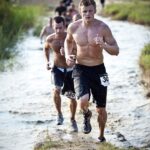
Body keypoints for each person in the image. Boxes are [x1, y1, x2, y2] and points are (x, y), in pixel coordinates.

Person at [64, 0, 119, 142]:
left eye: (90, 11)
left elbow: (116, 51)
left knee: (101, 109)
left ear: (94, 11)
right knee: (83, 100)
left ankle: (101, 135)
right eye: (84, 11)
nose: (87, 14)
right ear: (80, 12)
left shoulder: (103, 28)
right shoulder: (73, 27)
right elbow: (68, 42)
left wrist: (104, 44)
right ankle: (86, 114)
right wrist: (67, 55)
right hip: (80, 68)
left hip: (99, 70)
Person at [44, 16, 78, 132]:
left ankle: (73, 120)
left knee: (71, 96)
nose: (58, 30)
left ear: (65, 26)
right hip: (57, 69)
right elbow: (46, 49)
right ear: (53, 26)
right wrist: (47, 61)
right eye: (56, 28)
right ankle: (59, 114)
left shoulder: (70, 38)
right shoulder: (50, 39)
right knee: (56, 90)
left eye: (61, 28)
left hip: (70, 70)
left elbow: (78, 52)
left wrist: (69, 53)